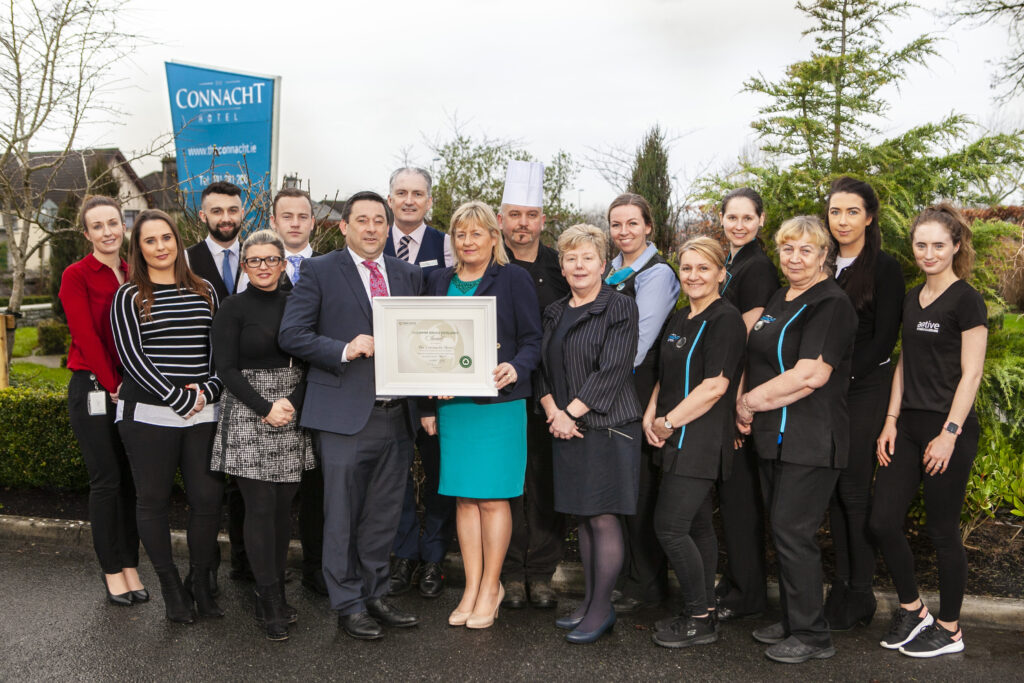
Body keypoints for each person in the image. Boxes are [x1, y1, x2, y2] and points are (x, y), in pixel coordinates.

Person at [278, 190, 423, 641]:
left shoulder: (407, 275)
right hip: (342, 416)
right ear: (344, 227)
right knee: (340, 515)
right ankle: (347, 603)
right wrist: (344, 348)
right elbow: (292, 334)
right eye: (361, 220)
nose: (371, 228)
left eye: (379, 220)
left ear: (388, 225)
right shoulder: (320, 270)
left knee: (383, 515)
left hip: (397, 415)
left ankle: (376, 593)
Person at [735, 215, 857, 664]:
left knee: (794, 531)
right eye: (788, 249)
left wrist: (747, 402)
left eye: (807, 250)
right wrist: (747, 405)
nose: (796, 258)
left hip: (811, 437)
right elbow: (759, 353)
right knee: (782, 530)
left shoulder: (831, 303)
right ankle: (793, 619)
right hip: (774, 435)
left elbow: (811, 373)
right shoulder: (780, 296)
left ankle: (813, 634)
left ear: (824, 255)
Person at [870, 204, 988, 658]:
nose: (929, 253)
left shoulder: (966, 300)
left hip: (947, 428)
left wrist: (950, 433)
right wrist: (891, 421)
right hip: (909, 426)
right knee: (881, 521)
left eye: (939, 244)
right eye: (921, 244)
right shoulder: (911, 298)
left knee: (941, 531)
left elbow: (972, 374)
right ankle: (914, 609)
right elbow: (905, 362)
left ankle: (951, 628)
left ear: (956, 246)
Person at [420, 200, 542, 629]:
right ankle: (471, 586)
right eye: (460, 234)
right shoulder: (437, 281)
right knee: (464, 497)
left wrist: (516, 367)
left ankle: (492, 585)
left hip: (498, 405)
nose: (468, 241)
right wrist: (426, 405)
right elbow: (425, 345)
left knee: (492, 498)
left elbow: (532, 339)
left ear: (495, 237)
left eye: (477, 233)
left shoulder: (513, 279)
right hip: (453, 406)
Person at [110, 209, 225, 624]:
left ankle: (200, 578)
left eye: (166, 238)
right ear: (138, 249)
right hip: (149, 416)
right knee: (153, 501)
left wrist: (209, 391)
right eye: (150, 241)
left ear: (178, 241)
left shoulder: (205, 290)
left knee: (208, 499)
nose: (161, 247)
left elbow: (218, 352)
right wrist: (175, 397)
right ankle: (172, 587)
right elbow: (131, 358)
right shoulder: (128, 296)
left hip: (202, 412)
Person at [538, 223, 641, 643]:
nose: (578, 265)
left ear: (603, 264)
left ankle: (602, 608)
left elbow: (613, 369)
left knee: (602, 516)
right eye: (570, 258)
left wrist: (571, 414)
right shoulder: (555, 311)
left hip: (606, 427)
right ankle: (588, 601)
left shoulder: (619, 307)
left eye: (587, 258)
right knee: (583, 515)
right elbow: (541, 368)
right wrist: (552, 411)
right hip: (563, 425)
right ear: (562, 266)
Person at [211, 229, 315, 641]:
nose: (264, 267)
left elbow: (311, 361)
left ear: (284, 262)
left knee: (280, 509)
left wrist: (292, 402)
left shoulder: (299, 304)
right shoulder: (232, 308)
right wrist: (265, 407)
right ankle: (269, 597)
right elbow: (227, 368)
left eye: (272, 259)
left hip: (292, 408)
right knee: (258, 507)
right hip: (250, 412)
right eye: (255, 260)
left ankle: (271, 587)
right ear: (244, 265)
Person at [645, 237, 747, 649]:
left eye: (703, 268)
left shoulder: (725, 320)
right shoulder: (681, 317)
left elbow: (715, 386)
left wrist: (668, 422)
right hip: (671, 434)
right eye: (686, 268)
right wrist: (651, 415)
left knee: (668, 528)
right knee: (699, 527)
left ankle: (699, 615)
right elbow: (663, 374)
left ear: (722, 273)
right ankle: (702, 613)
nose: (693, 276)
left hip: (699, 440)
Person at [823, 177, 905, 630]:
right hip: (824, 389)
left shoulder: (885, 268)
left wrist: (841, 375)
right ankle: (842, 586)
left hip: (863, 387)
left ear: (869, 217)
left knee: (854, 490)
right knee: (833, 489)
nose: (843, 220)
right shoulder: (823, 263)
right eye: (835, 211)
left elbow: (884, 338)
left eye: (852, 211)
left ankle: (861, 594)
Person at [239, 187, 329, 596]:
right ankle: (258, 575)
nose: (295, 223)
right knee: (262, 498)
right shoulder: (254, 268)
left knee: (315, 491)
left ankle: (315, 571)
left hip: (317, 394)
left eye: (302, 216)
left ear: (313, 222)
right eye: (286, 216)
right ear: (273, 222)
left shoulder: (329, 270)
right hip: (262, 401)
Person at [59, 196, 145, 607]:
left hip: (133, 390)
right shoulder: (76, 275)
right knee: (107, 481)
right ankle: (112, 572)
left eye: (114, 223)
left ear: (124, 225)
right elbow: (86, 338)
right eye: (98, 226)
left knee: (130, 482)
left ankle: (131, 566)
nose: (108, 231)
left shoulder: (134, 272)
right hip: (94, 389)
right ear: (87, 233)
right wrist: (114, 385)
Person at [497, 160, 570, 610]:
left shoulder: (561, 268)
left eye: (531, 215)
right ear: (501, 218)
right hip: (500, 393)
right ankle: (507, 571)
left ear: (543, 219)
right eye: (514, 214)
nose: (522, 224)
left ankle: (541, 573)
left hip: (552, 396)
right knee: (505, 484)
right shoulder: (489, 264)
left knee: (545, 484)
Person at [604, 193, 679, 614]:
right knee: (622, 487)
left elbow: (639, 340)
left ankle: (649, 584)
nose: (624, 232)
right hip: (614, 386)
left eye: (633, 223)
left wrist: (595, 375)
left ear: (648, 226)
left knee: (641, 488)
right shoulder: (613, 270)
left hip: (637, 385)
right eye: (617, 224)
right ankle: (630, 575)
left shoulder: (657, 274)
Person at [384, 167, 455, 599]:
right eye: (401, 193)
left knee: (438, 474)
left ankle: (433, 559)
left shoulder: (446, 245)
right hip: (386, 382)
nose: (409, 200)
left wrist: (430, 397)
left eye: (418, 193)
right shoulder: (370, 242)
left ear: (430, 200)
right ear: (389, 198)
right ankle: (404, 554)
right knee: (394, 477)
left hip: (433, 380)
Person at [713, 188, 779, 621]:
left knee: (741, 502)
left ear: (760, 221)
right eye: (731, 217)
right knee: (732, 499)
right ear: (722, 220)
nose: (739, 224)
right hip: (726, 388)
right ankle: (737, 583)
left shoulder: (757, 269)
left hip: (738, 390)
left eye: (747, 218)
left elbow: (745, 339)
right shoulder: (733, 263)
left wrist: (738, 403)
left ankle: (749, 595)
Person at [186, 181, 249, 588]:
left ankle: (245, 565)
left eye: (232, 209)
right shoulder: (184, 261)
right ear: (202, 216)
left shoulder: (262, 255)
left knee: (246, 484)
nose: (226, 217)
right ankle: (203, 572)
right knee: (205, 487)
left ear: (243, 213)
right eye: (217, 211)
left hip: (249, 387)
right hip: (202, 386)